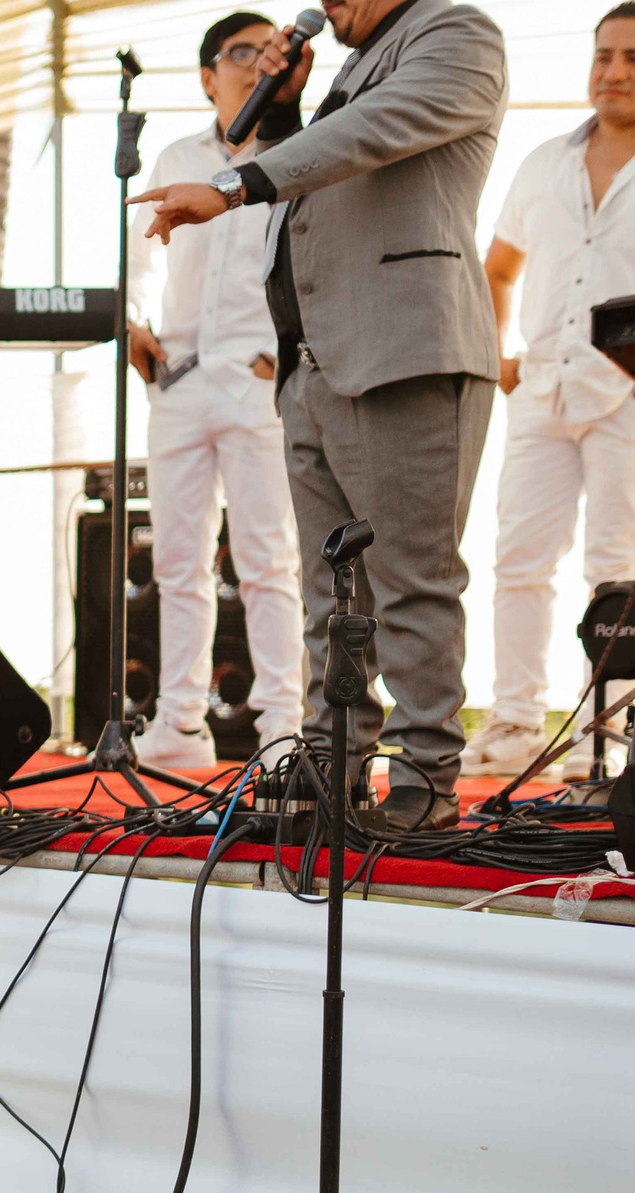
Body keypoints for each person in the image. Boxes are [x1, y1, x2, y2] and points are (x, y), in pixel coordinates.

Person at [134, 0, 506, 831]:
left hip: (407, 349)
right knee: (330, 595)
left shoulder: (456, 34)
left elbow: (372, 136)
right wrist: (294, 104)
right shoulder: (346, 64)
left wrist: (233, 185)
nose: (325, 3)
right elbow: (326, 176)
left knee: (412, 581)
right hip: (313, 361)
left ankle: (424, 781)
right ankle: (330, 768)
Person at [123, 11, 309, 768]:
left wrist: (285, 351)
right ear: (208, 75)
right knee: (177, 561)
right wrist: (130, 320)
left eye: (266, 51)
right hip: (178, 376)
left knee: (268, 558)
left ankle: (280, 729)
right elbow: (136, 255)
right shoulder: (175, 152)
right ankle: (180, 722)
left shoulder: (297, 152)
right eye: (239, 52)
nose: (254, 63)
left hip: (259, 375)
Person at [463, 3, 635, 781]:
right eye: (604, 55)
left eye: (632, 58)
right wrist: (498, 355)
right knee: (519, 559)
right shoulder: (541, 161)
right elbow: (497, 268)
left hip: (626, 396)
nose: (615, 71)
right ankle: (513, 721)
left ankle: (615, 730)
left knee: (619, 565)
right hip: (538, 388)